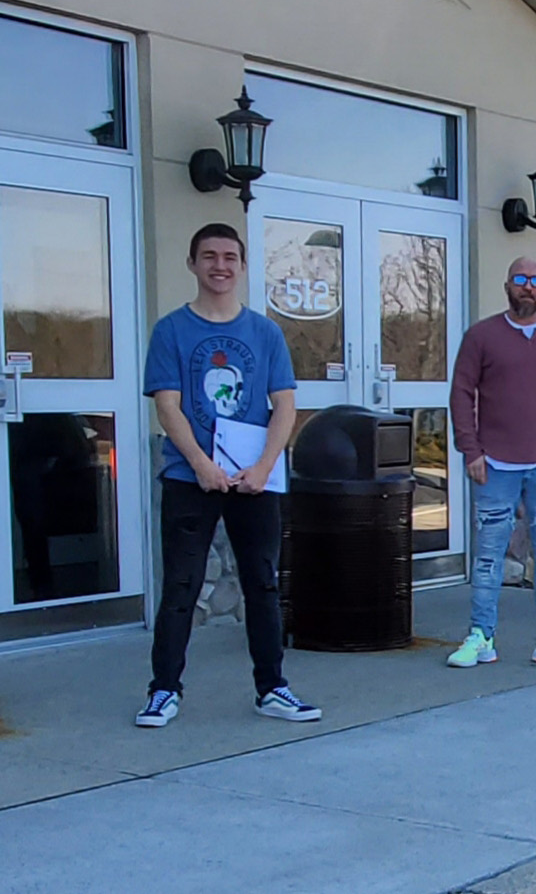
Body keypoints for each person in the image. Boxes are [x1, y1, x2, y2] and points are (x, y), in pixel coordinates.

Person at [138, 223, 319, 729]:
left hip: (253, 481)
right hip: (188, 477)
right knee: (181, 585)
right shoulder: (171, 330)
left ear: (241, 266)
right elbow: (168, 406)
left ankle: (273, 689)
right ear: (192, 264)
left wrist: (263, 466)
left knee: (261, 584)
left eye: (229, 257)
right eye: (209, 256)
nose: (220, 265)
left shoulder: (265, 333)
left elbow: (284, 406)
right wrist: (200, 464)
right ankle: (163, 690)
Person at [447, 258, 536, 670]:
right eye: (520, 280)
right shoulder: (481, 337)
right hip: (493, 465)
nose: (528, 288)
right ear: (507, 285)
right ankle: (481, 636)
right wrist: (471, 450)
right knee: (489, 554)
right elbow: (461, 393)